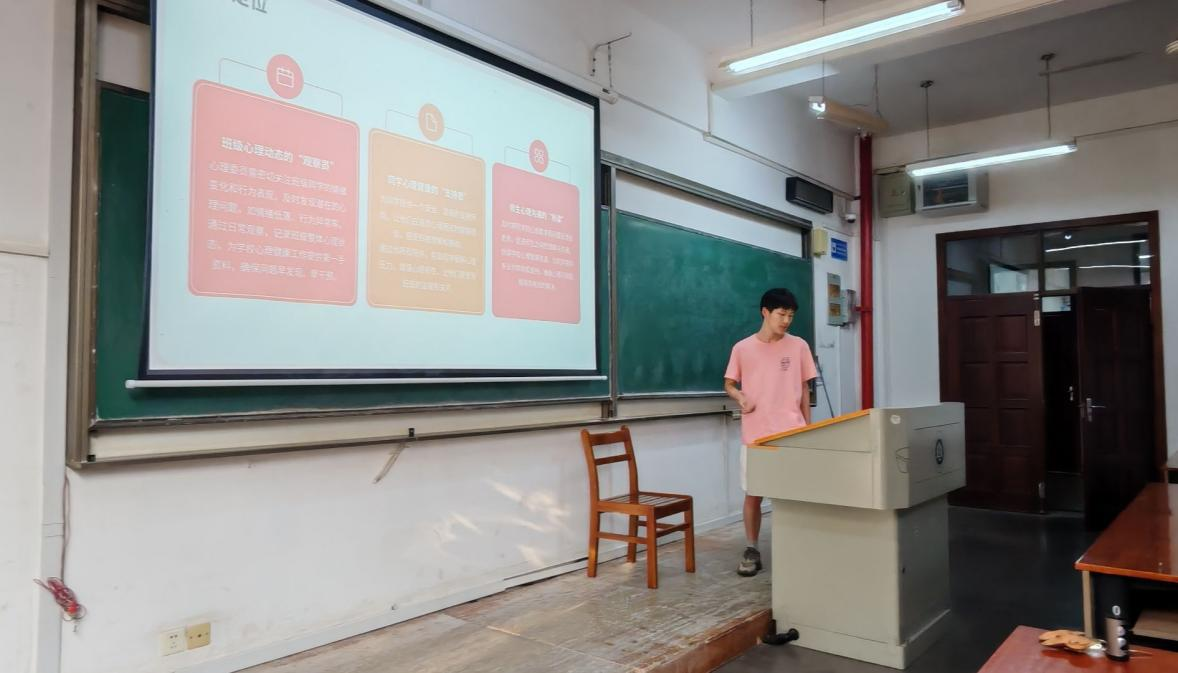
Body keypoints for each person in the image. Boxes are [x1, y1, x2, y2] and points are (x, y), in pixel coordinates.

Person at [723, 288, 816, 576]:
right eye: (781, 314)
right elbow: (729, 383)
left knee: (792, 496)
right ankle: (751, 549)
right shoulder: (742, 348)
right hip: (756, 435)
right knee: (754, 494)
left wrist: (808, 429)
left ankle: (795, 548)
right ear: (765, 312)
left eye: (791, 316)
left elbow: (804, 389)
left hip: (792, 433)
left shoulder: (798, 346)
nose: (786, 320)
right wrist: (739, 396)